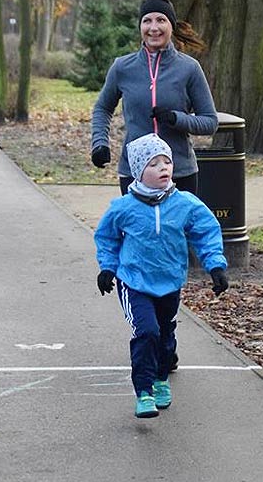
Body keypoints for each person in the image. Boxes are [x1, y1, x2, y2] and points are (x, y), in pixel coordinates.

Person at [94, 133, 228, 419]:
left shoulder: (185, 204)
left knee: (166, 333)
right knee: (147, 331)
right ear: (140, 171)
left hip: (169, 282)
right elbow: (107, 239)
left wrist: (215, 266)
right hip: (135, 282)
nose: (164, 168)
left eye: (167, 161)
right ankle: (143, 391)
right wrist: (107, 268)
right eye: (154, 164)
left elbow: (206, 233)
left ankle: (161, 379)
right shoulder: (123, 208)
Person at [91, 0, 218, 197]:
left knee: (176, 230)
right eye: (147, 21)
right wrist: (99, 143)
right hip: (134, 174)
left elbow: (210, 122)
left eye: (161, 20)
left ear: (171, 25)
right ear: (140, 26)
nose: (154, 28)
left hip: (179, 173)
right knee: (138, 230)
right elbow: (102, 108)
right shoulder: (122, 67)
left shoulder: (189, 69)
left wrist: (176, 118)